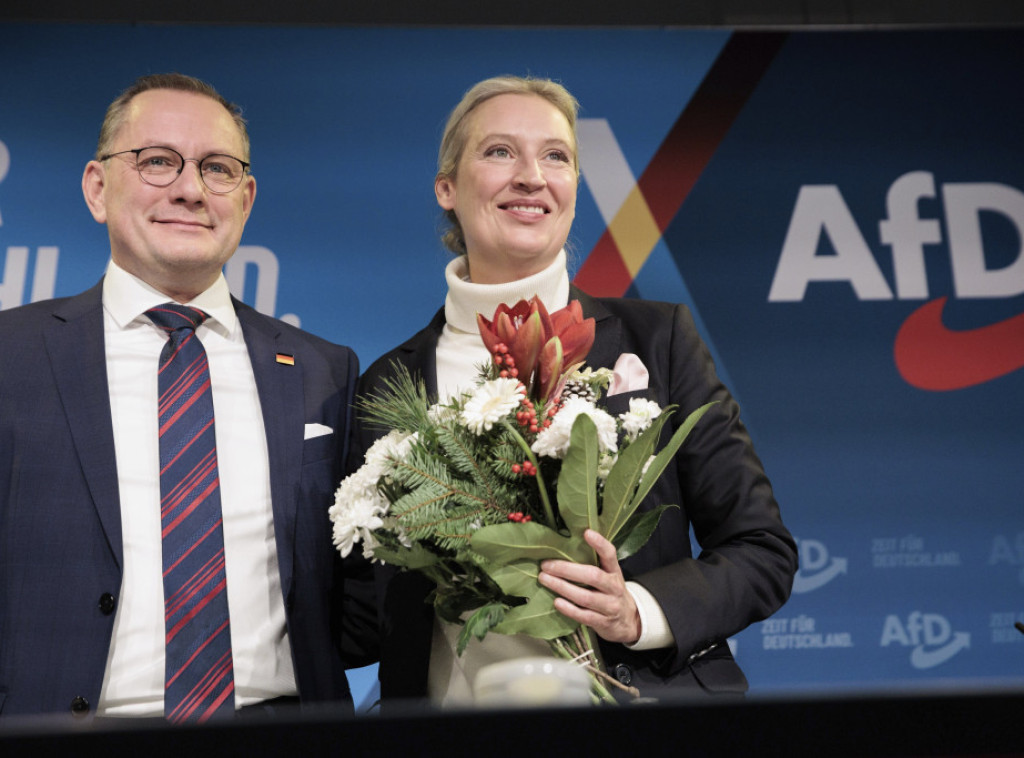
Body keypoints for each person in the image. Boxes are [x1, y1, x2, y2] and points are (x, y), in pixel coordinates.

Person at [358, 75, 797, 707]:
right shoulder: (387, 384)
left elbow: (763, 551)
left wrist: (637, 610)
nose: (532, 176)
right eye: (500, 152)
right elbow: (363, 604)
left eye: (556, 156)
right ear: (447, 188)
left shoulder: (658, 341)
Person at [0, 73, 376, 723]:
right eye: (156, 162)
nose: (189, 189)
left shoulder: (324, 370)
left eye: (217, 169)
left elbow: (359, 597)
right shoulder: (12, 354)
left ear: (247, 197)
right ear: (97, 187)